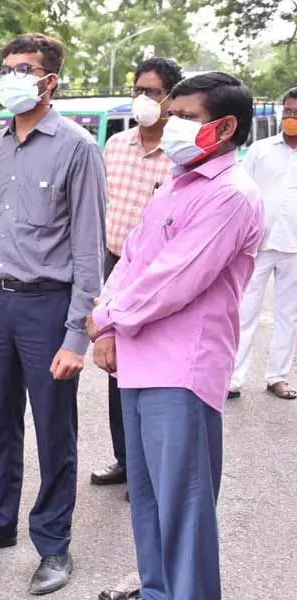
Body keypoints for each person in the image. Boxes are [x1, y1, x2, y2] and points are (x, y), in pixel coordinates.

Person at [88, 72, 263, 600]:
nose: (173, 126)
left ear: (226, 126)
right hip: (141, 361)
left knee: (183, 507)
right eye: (174, 114)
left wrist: (110, 316)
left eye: (187, 118)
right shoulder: (175, 183)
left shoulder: (231, 195)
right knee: (147, 498)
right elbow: (134, 256)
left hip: (183, 370)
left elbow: (175, 278)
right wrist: (108, 315)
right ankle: (157, 589)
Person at [0, 33, 106, 595]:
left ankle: (55, 546)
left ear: (49, 81)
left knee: (53, 431)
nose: (12, 76)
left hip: (48, 305)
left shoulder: (77, 148)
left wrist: (77, 335)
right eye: (6, 67)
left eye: (25, 68)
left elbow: (89, 247)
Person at [90, 58, 182, 491]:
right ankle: (125, 460)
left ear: (170, 98)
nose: (142, 99)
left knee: (152, 368)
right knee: (114, 365)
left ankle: (148, 468)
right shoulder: (115, 146)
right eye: (137, 90)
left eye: (152, 91)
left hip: (158, 274)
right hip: (114, 266)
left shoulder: (179, 156)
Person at [229, 86, 297, 400]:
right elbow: (243, 193)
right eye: (287, 112)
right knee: (244, 311)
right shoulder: (260, 150)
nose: (291, 118)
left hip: (294, 247)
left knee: (289, 315)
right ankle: (232, 379)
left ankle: (278, 377)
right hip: (258, 244)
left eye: (296, 113)